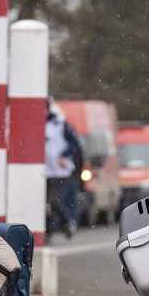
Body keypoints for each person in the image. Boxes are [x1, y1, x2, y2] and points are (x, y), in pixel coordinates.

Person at [45, 100, 82, 241]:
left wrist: (64, 155)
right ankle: (48, 232)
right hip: (44, 170)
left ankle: (68, 222)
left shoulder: (59, 123)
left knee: (53, 201)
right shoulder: (37, 124)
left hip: (60, 171)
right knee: (45, 203)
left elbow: (74, 142)